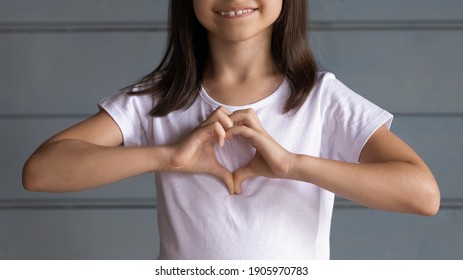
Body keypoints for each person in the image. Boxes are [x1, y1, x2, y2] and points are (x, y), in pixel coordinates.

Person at [22, 0, 440, 259]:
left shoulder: (321, 99)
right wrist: (170, 156)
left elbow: (422, 195)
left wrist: (292, 164)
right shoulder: (158, 98)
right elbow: (41, 172)